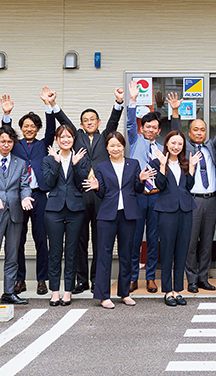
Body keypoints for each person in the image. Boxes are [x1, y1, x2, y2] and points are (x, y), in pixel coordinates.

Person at [55, 87, 125, 295]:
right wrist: (52, 104)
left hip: (102, 195)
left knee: (99, 239)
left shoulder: (106, 137)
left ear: (98, 122)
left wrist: (118, 102)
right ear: (81, 124)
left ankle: (97, 280)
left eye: (92, 119)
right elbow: (63, 121)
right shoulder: (76, 137)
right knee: (79, 239)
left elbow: (114, 121)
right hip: (80, 194)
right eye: (85, 120)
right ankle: (82, 280)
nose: (89, 122)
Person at [168, 92, 216, 294]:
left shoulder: (210, 147)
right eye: (195, 129)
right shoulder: (185, 147)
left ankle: (203, 277)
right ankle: (191, 279)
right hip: (192, 200)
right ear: (189, 132)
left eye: (203, 130)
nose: (199, 133)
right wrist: (175, 111)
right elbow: (175, 132)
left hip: (211, 201)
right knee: (190, 242)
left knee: (207, 241)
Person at [84, 131, 152, 309]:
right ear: (107, 148)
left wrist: (141, 180)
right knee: (104, 255)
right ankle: (103, 296)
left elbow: (138, 189)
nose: (116, 148)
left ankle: (125, 293)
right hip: (107, 215)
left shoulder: (133, 164)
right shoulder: (101, 166)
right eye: (112, 145)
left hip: (128, 214)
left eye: (119, 145)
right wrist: (97, 187)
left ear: (123, 146)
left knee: (127, 254)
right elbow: (102, 193)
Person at [1, 87, 58, 296]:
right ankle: (20, 279)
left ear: (37, 128)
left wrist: (48, 105)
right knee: (18, 238)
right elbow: (5, 134)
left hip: (39, 194)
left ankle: (42, 279)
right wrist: (6, 114)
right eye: (26, 126)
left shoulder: (43, 144)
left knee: (41, 238)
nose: (29, 129)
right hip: (18, 196)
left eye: (33, 126)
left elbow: (51, 130)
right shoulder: (14, 145)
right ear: (21, 128)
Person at [0, 126, 33, 306]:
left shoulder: (20, 163)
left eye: (10, 142)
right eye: (2, 141)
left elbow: (25, 185)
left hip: (15, 213)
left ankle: (9, 292)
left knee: (12, 255)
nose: (6, 145)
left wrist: (25, 197)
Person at [151, 130, 200, 306]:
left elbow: (189, 187)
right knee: (167, 251)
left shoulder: (185, 163)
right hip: (166, 211)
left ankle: (178, 290)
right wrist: (162, 166)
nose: (176, 146)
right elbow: (159, 185)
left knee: (181, 251)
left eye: (180, 144)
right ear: (166, 144)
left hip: (185, 210)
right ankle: (167, 291)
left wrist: (192, 168)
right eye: (173, 143)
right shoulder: (157, 162)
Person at [42, 125, 90, 306]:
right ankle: (55, 292)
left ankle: (68, 291)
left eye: (69, 136)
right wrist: (56, 162)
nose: (65, 140)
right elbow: (48, 182)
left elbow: (81, 183)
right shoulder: (48, 159)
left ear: (73, 139)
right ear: (56, 140)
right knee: (55, 252)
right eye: (61, 137)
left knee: (71, 252)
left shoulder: (81, 158)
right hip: (54, 209)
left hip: (75, 210)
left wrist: (75, 165)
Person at [126, 80, 163, 294]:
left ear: (158, 130)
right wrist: (133, 100)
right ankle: (133, 277)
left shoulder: (162, 148)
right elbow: (130, 123)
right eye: (147, 126)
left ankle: (150, 278)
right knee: (135, 238)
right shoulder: (135, 140)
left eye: (154, 127)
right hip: (138, 195)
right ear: (143, 128)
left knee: (153, 239)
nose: (150, 130)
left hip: (156, 196)